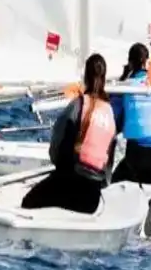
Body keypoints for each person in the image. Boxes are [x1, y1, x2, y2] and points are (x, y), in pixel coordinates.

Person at [22, 53, 114, 213]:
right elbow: (108, 168)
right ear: (104, 78)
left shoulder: (77, 106)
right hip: (92, 199)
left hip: (71, 188)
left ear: (85, 76)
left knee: (27, 202)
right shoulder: (109, 112)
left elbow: (56, 150)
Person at [110, 43, 151, 185]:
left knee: (113, 182)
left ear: (130, 63)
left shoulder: (124, 88)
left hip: (134, 163)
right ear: (147, 62)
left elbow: (113, 122)